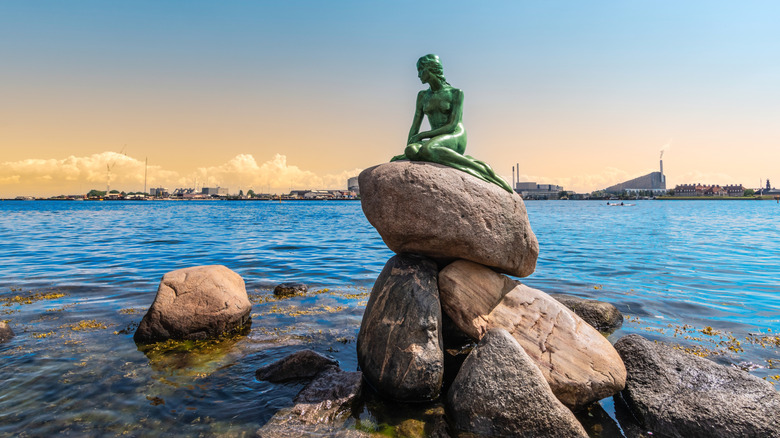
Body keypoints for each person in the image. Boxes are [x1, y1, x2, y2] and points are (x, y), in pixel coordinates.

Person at [391, 54, 512, 192]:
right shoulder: (422, 96)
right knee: (412, 150)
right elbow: (415, 125)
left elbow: (452, 125)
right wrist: (408, 148)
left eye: (420, 70)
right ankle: (453, 157)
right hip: (436, 139)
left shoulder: (455, 93)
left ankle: (480, 168)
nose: (418, 75)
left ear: (431, 69)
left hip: (454, 135)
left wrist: (422, 135)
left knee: (428, 149)